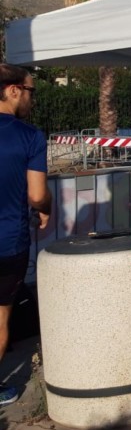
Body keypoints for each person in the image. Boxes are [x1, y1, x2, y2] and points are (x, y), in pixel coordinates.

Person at [0, 65, 50, 407]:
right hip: (7, 242)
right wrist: (46, 207)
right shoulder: (30, 136)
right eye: (31, 91)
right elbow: (36, 195)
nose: (33, 99)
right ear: (13, 90)